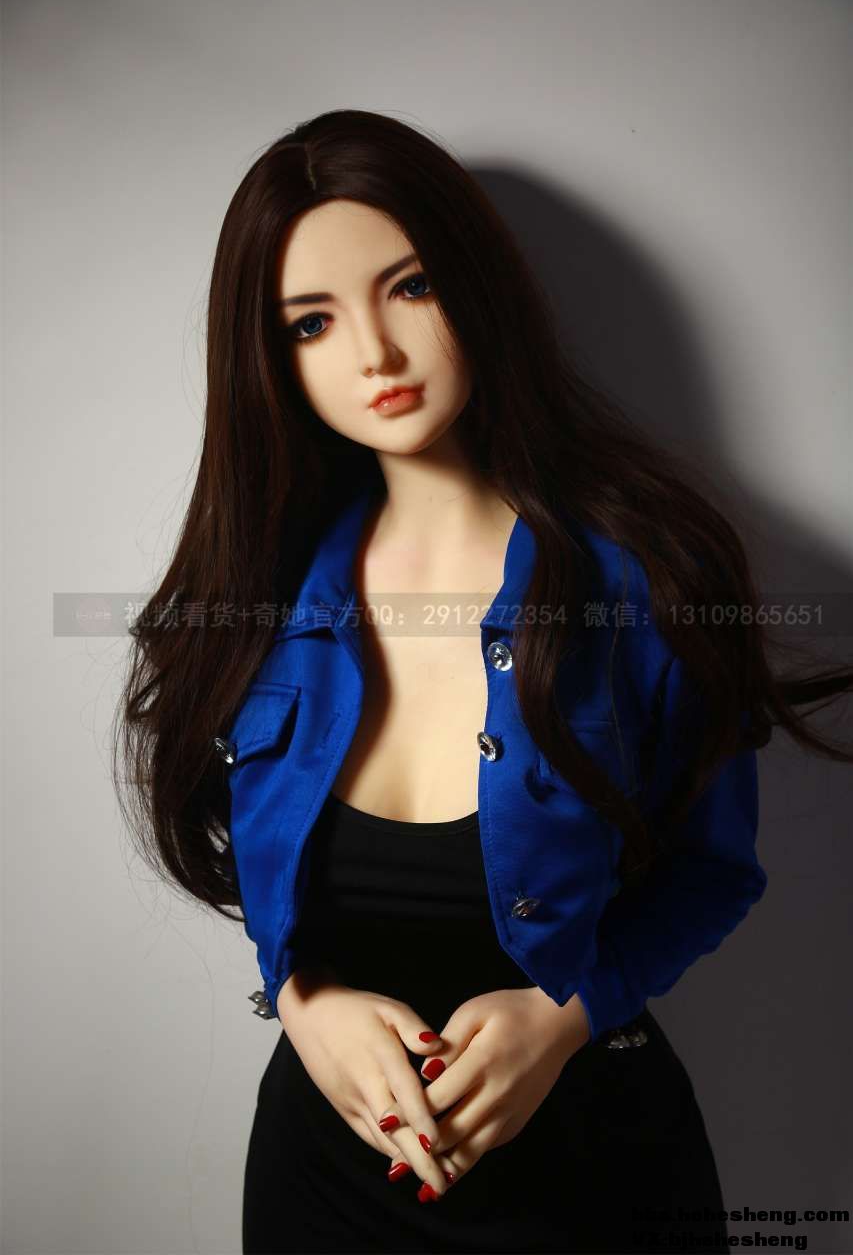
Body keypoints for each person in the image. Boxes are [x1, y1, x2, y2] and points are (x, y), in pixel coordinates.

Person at [114, 109, 853, 1255]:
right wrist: (303, 1003)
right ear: (272, 357)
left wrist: (562, 1017)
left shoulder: (651, 575)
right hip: (323, 1182)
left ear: (476, 283)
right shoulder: (253, 593)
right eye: (312, 321)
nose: (374, 352)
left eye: (409, 287)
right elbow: (259, 867)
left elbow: (713, 871)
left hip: (600, 1182)